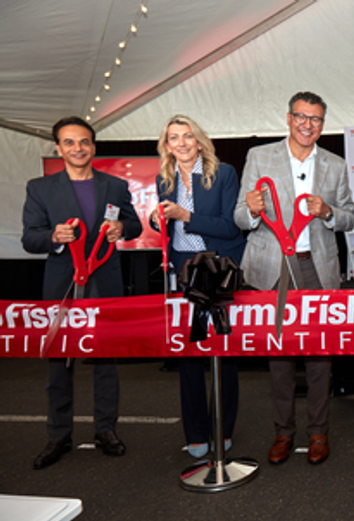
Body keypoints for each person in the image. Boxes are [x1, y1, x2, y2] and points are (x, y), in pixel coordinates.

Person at [234, 91, 354, 465]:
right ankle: (282, 432)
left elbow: (349, 218)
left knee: (321, 355)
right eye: (301, 117)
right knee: (279, 356)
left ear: (323, 124)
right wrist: (252, 211)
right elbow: (240, 217)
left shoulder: (335, 164)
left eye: (316, 119)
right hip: (272, 266)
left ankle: (318, 432)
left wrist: (328, 211)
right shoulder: (259, 157)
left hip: (315, 264)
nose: (308, 124)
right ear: (288, 119)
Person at [22, 116, 142, 469]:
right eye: (70, 143)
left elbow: (133, 224)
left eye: (84, 142)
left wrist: (123, 227)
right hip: (62, 285)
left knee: (106, 360)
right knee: (60, 363)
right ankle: (58, 435)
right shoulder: (40, 188)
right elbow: (29, 238)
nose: (78, 148)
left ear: (93, 146)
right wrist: (52, 238)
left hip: (104, 283)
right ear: (58, 148)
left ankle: (106, 430)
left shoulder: (115, 187)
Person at [150, 115, 246, 459]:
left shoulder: (223, 174)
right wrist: (157, 219)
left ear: (199, 140)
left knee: (222, 352)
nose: (182, 143)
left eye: (187, 136)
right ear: (166, 145)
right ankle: (195, 432)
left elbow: (231, 228)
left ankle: (223, 428)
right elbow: (165, 228)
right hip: (182, 271)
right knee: (188, 354)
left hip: (218, 269)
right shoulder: (164, 178)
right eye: (173, 138)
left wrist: (184, 216)